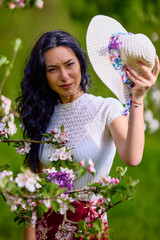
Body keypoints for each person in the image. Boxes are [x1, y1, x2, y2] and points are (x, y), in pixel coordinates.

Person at [17, 16, 159, 240]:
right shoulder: (41, 114)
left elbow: (132, 157)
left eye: (69, 65)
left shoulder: (105, 109)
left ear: (81, 63)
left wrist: (137, 99)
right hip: (46, 228)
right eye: (53, 69)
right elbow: (30, 187)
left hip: (86, 228)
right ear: (43, 75)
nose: (64, 76)